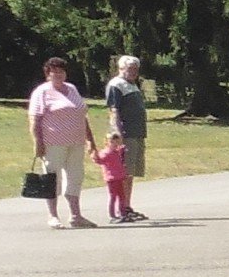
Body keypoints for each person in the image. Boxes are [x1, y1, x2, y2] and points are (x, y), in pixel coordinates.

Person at [26, 57, 99, 229]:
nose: (58, 74)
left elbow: (82, 116)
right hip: (53, 143)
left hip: (76, 142)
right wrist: (38, 143)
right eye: (54, 71)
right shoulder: (42, 92)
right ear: (48, 74)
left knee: (75, 177)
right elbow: (34, 120)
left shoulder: (72, 89)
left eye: (61, 71)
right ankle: (53, 215)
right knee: (52, 178)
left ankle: (76, 216)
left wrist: (90, 140)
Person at [101, 54, 150, 221]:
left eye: (136, 69)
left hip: (137, 134)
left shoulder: (132, 85)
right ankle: (121, 208)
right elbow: (114, 111)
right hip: (126, 135)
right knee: (124, 173)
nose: (134, 72)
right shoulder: (116, 85)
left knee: (131, 173)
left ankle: (127, 206)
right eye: (130, 69)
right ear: (121, 69)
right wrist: (117, 135)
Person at [96, 127, 133, 223]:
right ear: (108, 142)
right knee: (113, 197)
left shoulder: (117, 152)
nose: (115, 144)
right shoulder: (106, 153)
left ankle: (122, 213)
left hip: (120, 177)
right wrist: (94, 155)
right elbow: (100, 161)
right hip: (111, 178)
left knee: (122, 196)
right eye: (113, 142)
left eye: (117, 142)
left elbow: (122, 151)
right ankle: (112, 215)